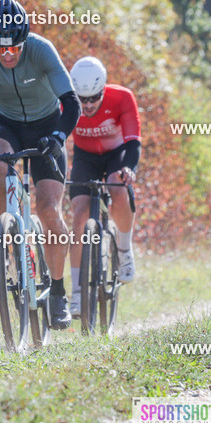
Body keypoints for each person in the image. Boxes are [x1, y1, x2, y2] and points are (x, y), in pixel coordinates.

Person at [0, 0, 80, 330]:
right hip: (6, 123)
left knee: (49, 210)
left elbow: (72, 103)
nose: (7, 55)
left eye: (14, 49)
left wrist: (59, 137)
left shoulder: (41, 50)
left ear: (25, 40)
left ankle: (59, 291)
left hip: (46, 127)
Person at [68, 56, 141, 315]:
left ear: (103, 90)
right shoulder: (65, 100)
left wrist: (129, 168)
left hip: (117, 155)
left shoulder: (121, 98)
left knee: (117, 184)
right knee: (79, 217)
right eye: (82, 99)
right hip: (85, 158)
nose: (87, 105)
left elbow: (133, 141)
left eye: (93, 98)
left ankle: (124, 248)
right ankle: (76, 292)